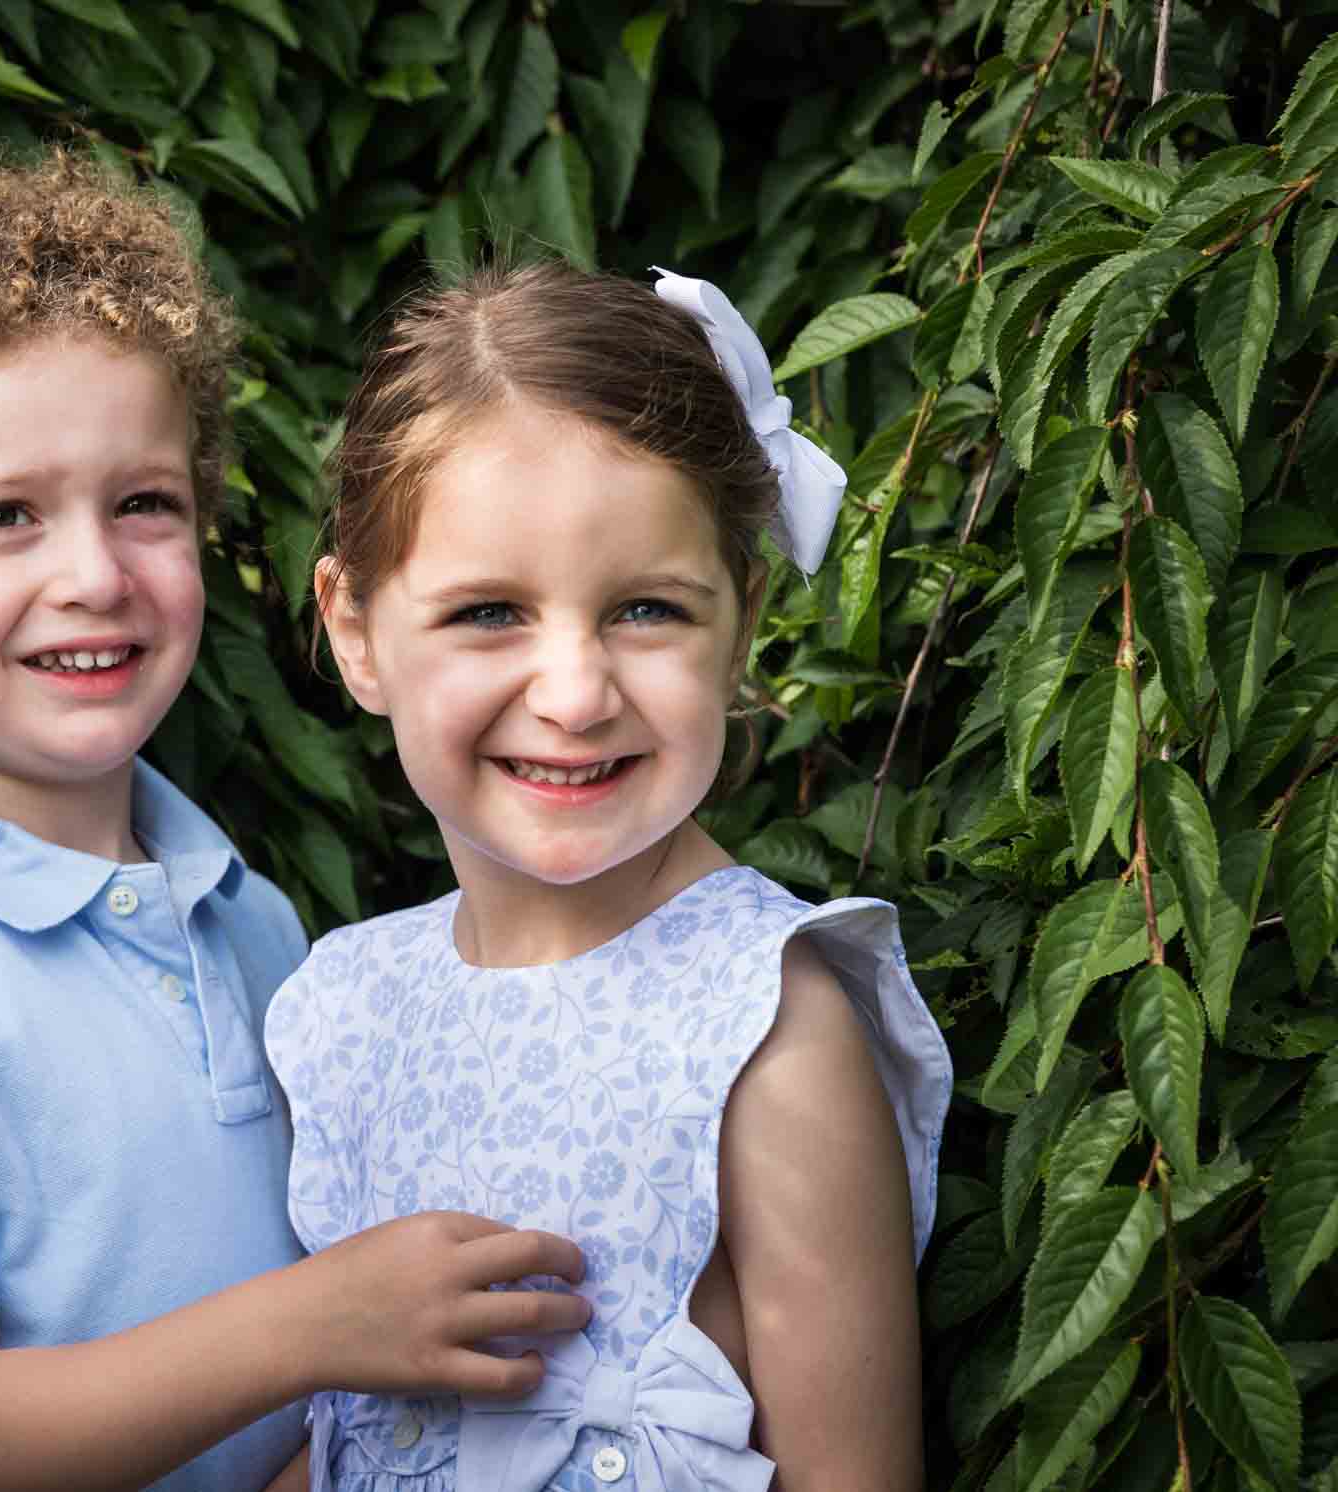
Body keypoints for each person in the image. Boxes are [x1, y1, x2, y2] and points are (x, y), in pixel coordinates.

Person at [0, 152, 595, 1492]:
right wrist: (319, 1330)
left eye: (143, 504)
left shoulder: (245, 911)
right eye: (3, 517)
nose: (91, 575)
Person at [265, 260, 954, 1492]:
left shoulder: (762, 1031)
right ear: (356, 631)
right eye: (488, 613)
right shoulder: (342, 1006)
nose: (575, 694)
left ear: (739, 618)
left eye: (645, 609)